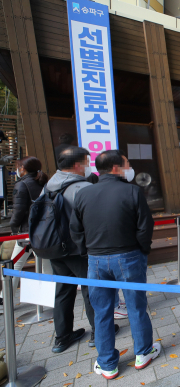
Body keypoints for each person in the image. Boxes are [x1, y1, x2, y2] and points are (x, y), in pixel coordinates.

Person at [70, 150, 159, 379]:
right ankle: (143, 353)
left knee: (102, 312)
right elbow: (144, 226)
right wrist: (142, 250)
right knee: (136, 307)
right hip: (129, 256)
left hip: (95, 260)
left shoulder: (83, 194)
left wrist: (87, 252)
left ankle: (107, 363)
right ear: (116, 168)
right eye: (127, 164)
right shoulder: (132, 191)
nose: (130, 168)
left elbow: (75, 229)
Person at [46, 147, 120, 353]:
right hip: (76, 248)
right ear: (79, 164)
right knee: (91, 289)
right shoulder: (81, 188)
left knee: (63, 290)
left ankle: (62, 337)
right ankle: (99, 332)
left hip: (54, 247)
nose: (88, 165)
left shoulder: (49, 184)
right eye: (87, 161)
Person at [1, 157, 51, 306]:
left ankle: (5, 298)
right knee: (46, 266)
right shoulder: (43, 183)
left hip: (26, 232)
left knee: (14, 265)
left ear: (23, 168)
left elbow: (18, 211)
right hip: (43, 231)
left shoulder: (21, 185)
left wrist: (13, 228)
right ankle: (49, 298)